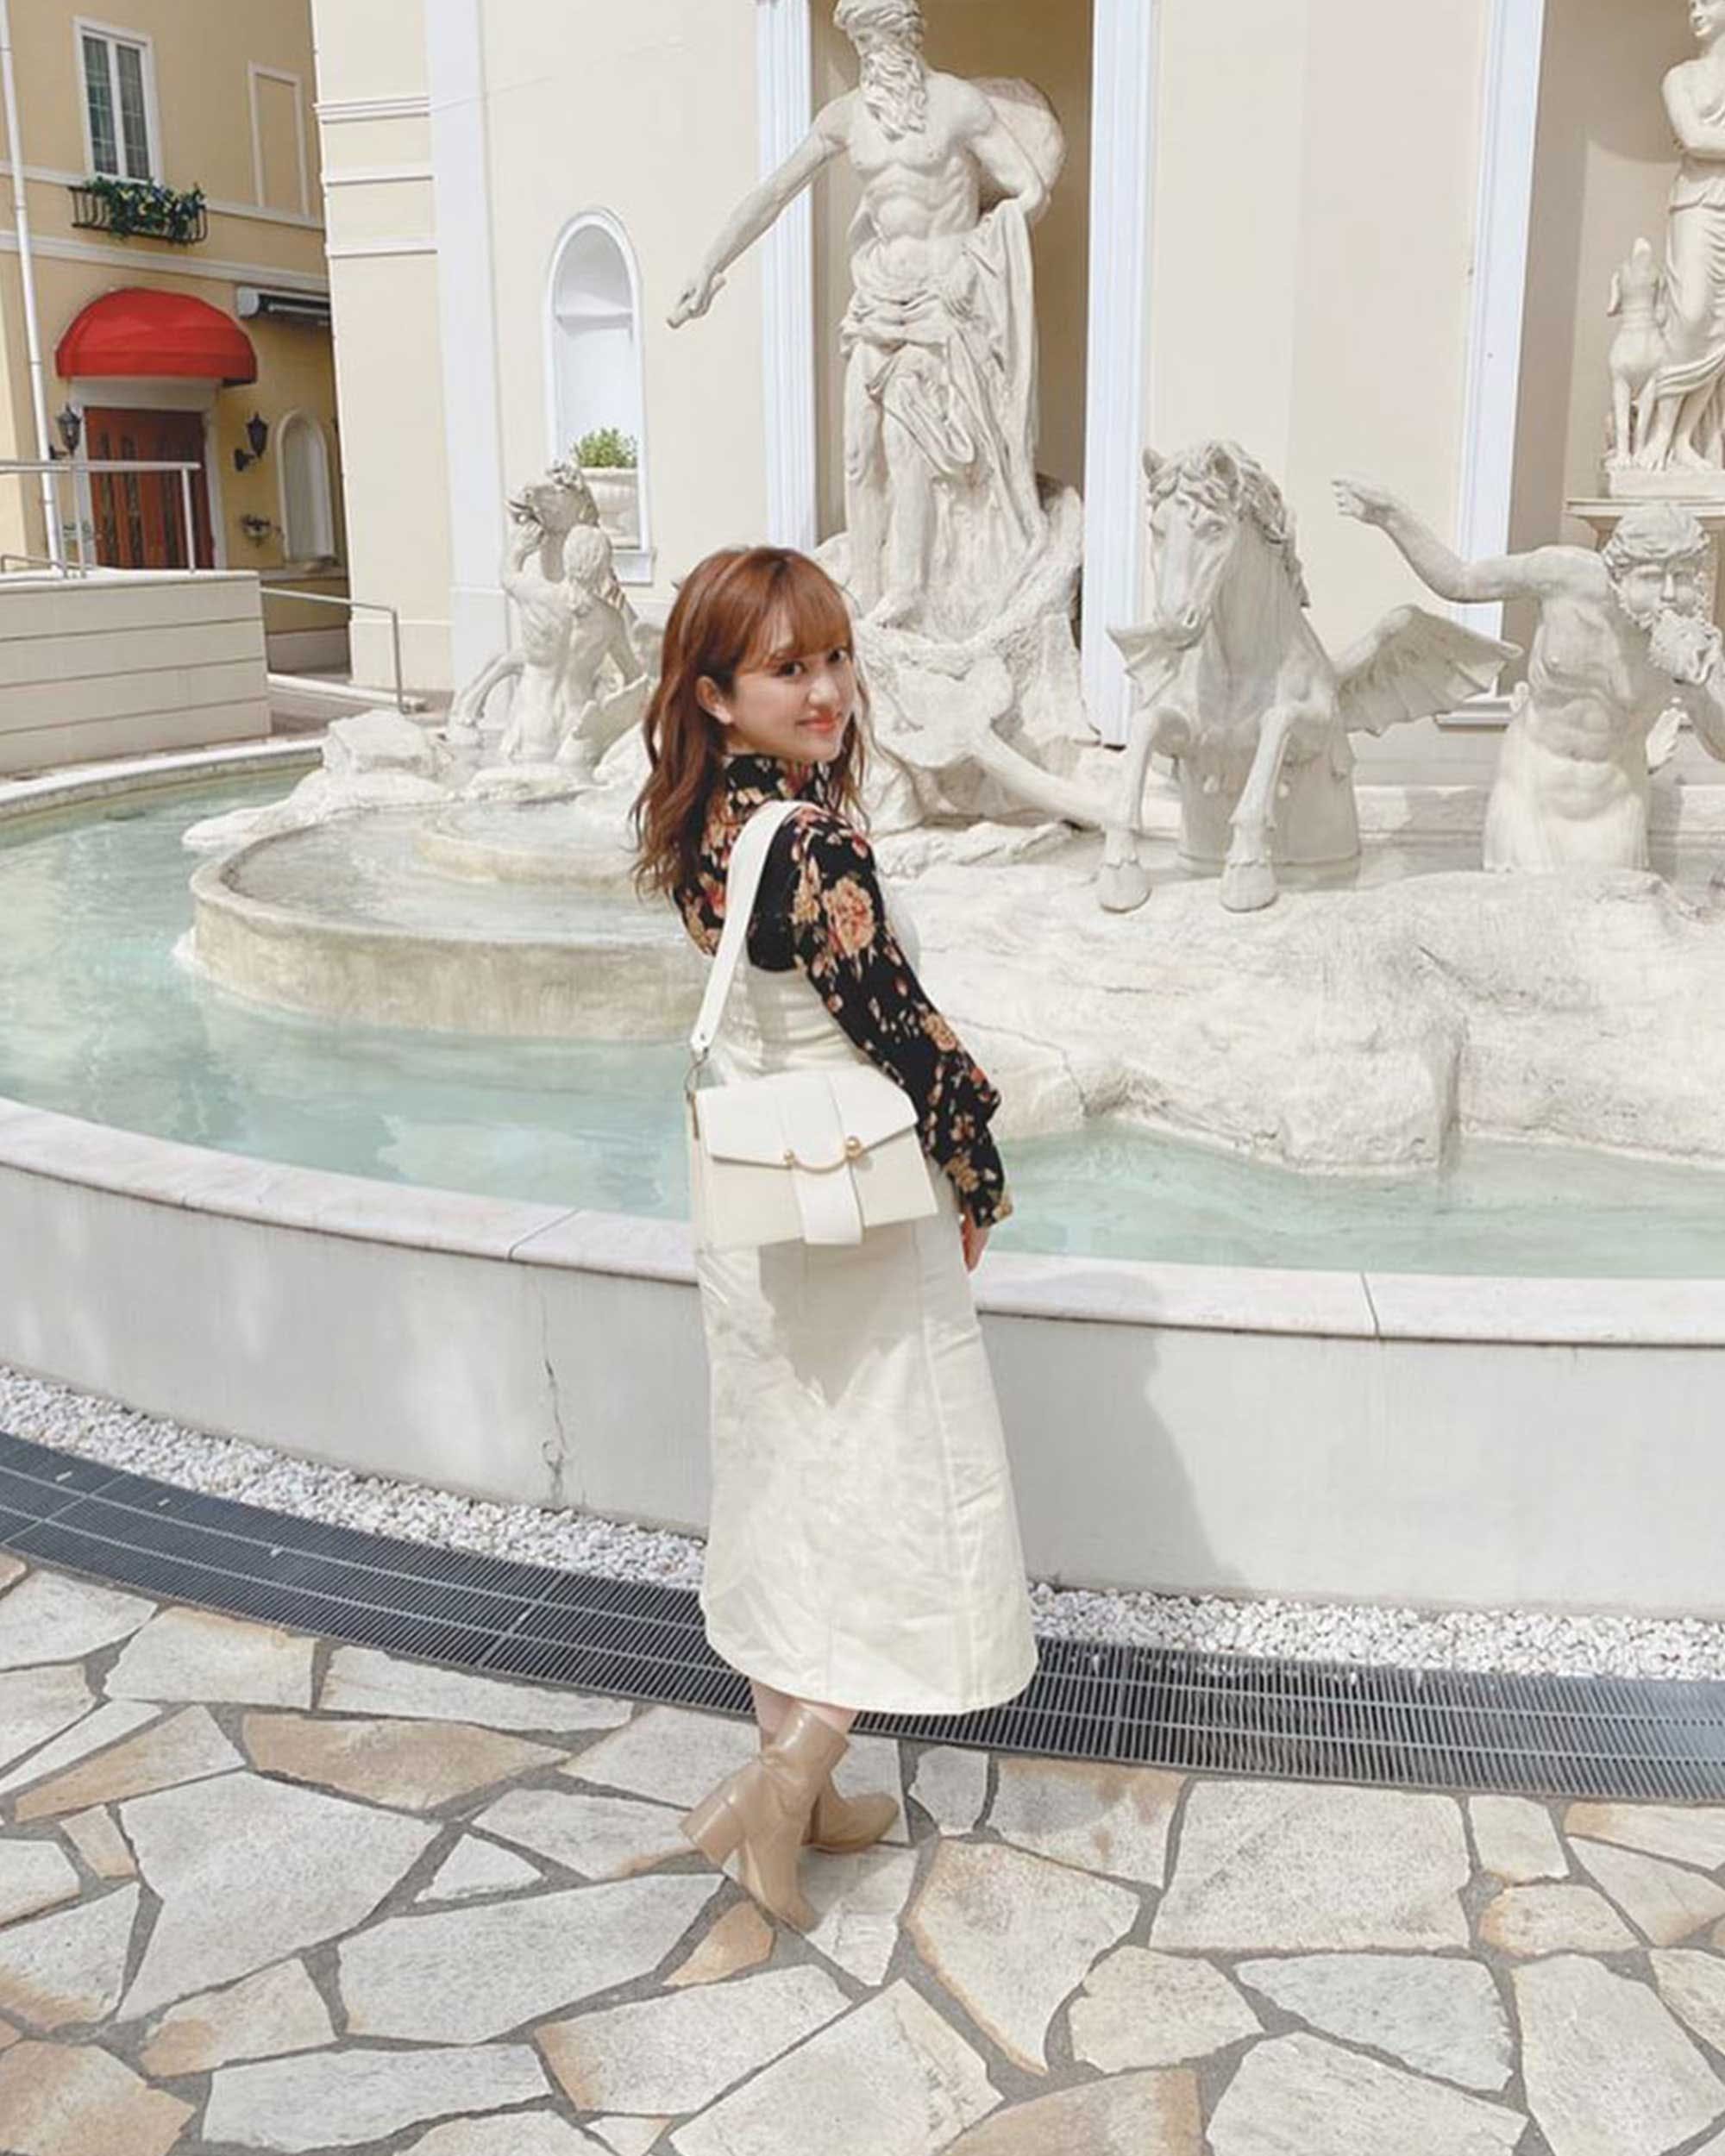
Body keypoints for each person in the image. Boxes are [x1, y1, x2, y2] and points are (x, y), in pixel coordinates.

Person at [632, 546, 1037, 1927]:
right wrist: (978, 1172)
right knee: (892, 1493)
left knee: (787, 1489)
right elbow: (909, 1040)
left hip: (760, 1218)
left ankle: (795, 1788)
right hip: (857, 1213)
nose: (827, 689)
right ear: (717, 691)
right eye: (788, 668)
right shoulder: (811, 843)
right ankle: (788, 1778)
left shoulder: (704, 829)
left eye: (835, 657)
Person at [668, 0, 1057, 640]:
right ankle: (869, 597)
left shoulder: (958, 104)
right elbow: (773, 193)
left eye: (879, 44)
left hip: (941, 300)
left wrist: (980, 256)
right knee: (857, 451)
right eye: (860, 47)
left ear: (907, 38)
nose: (870, 61)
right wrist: (710, 266)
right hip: (878, 297)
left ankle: (907, 589)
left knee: (908, 442)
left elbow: (1029, 189)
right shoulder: (848, 119)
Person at [1334, 482, 1725, 870]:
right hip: (1530, 787)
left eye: (1683, 577)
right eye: (1653, 577)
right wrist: (1391, 516)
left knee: (1603, 923)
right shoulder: (1565, 576)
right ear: (1619, 573)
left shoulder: (1696, 646)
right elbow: (1461, 580)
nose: (1670, 594)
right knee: (1517, 920)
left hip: (1615, 803)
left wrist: (1697, 682)